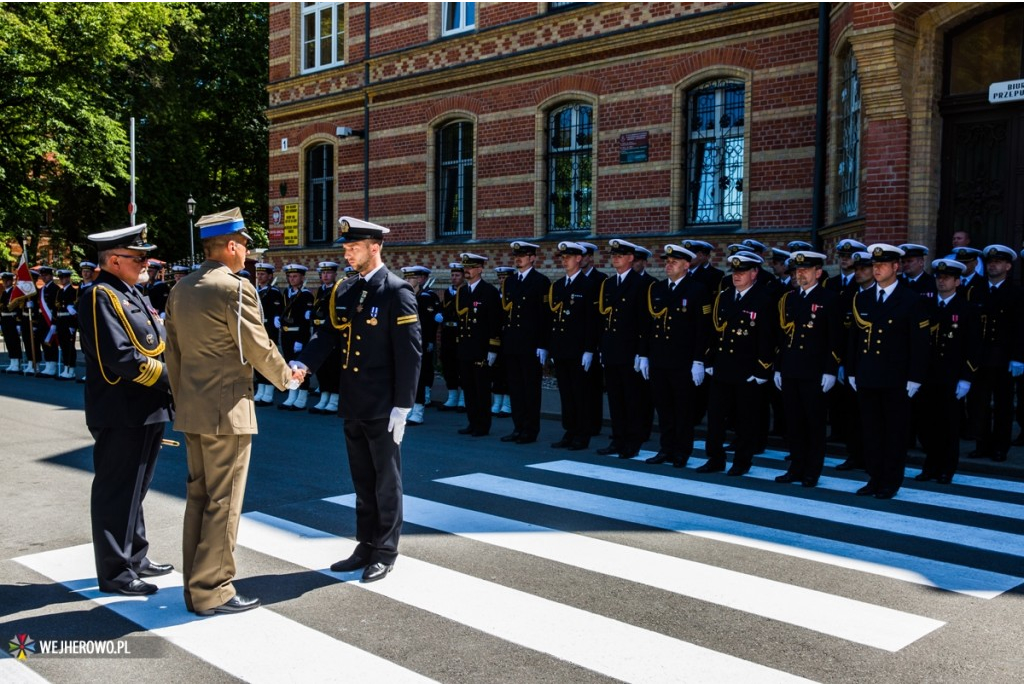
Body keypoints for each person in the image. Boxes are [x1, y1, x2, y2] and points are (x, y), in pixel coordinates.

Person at [164, 207, 300, 615]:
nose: (246, 253)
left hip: (193, 410)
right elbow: (256, 344)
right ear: (230, 246)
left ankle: (195, 585)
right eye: (243, 245)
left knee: (199, 498)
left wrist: (183, 398)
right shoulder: (234, 288)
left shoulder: (181, 288)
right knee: (224, 503)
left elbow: (173, 355)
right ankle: (214, 590)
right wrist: (286, 377)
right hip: (228, 410)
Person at [295, 216, 421, 583]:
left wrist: (403, 405)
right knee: (363, 480)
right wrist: (302, 364)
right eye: (346, 248)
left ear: (374, 247)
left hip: (384, 405)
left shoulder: (397, 291)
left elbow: (410, 354)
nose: (347, 254)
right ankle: (365, 544)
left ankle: (385, 550)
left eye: (353, 248)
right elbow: (327, 336)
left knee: (386, 481)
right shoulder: (345, 290)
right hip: (354, 401)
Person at [76, 223, 174, 596]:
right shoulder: (100, 295)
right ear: (115, 260)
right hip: (121, 408)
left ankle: (135, 555)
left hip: (147, 406)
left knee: (137, 487)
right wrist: (172, 379)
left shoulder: (131, 292)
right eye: (139, 257)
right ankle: (116, 572)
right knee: (117, 490)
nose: (145, 262)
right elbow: (120, 357)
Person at [846, 243, 930, 499]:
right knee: (871, 431)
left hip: (896, 378)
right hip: (868, 375)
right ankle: (874, 477)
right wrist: (851, 370)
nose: (877, 269)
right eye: (874, 265)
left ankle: (890, 481)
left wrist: (915, 376)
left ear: (896, 267)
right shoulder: (863, 297)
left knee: (894, 432)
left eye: (882, 265)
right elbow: (854, 339)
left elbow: (920, 342)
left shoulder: (911, 299)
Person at [697, 252, 775, 476]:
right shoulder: (724, 296)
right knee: (716, 417)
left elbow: (767, 337)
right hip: (723, 367)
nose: (737, 276)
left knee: (745, 420)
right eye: (734, 272)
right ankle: (715, 458)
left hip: (747, 370)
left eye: (742, 272)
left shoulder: (764, 298)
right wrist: (709, 360)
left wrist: (762, 368)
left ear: (754, 273)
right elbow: (714, 331)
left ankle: (742, 461)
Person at [636, 245, 711, 467]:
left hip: (683, 361)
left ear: (687, 265)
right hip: (659, 359)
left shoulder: (697, 290)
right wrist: (643, 355)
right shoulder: (657, 289)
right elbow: (647, 325)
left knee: (683, 410)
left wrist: (699, 360)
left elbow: (703, 330)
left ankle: (681, 451)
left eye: (674, 262)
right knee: (664, 408)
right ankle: (666, 448)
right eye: (667, 261)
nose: (668, 265)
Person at [773, 251, 843, 488]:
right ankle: (796, 468)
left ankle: (812, 471)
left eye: (805, 269)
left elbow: (836, 338)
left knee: (813, 424)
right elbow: (783, 337)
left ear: (818, 273)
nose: (800, 273)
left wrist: (831, 369)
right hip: (791, 369)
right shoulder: (789, 298)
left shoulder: (830, 298)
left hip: (815, 371)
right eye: (797, 270)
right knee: (794, 424)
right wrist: (778, 368)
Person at [916, 259, 979, 484]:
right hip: (927, 375)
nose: (941, 281)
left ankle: (946, 468)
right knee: (926, 423)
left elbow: (973, 346)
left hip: (952, 377)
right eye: (939, 277)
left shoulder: (966, 309)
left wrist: (966, 377)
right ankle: (930, 465)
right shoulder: (927, 307)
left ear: (957, 281)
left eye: (947, 278)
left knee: (949, 425)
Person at [967, 244, 1024, 462]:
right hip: (980, 356)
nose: (993, 265)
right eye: (990, 262)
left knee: (1003, 404)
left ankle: (1001, 446)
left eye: (998, 262)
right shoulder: (976, 291)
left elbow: (1020, 328)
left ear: (1008, 266)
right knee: (979, 403)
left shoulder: (1016, 293)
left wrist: (1019, 357)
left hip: (1003, 356)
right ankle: (982, 444)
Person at [596, 239, 647, 459]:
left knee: (632, 399)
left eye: (620, 255)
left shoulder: (641, 284)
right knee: (615, 399)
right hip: (611, 349)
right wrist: (600, 347)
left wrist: (641, 352)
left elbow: (644, 321)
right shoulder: (608, 284)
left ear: (631, 258)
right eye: (613, 255)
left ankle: (632, 441)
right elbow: (602, 319)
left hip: (630, 351)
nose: (615, 258)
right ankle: (617, 439)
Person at [548, 241, 601, 451]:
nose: (565, 260)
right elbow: (555, 320)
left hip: (579, 350)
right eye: (562, 257)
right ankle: (569, 430)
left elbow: (592, 321)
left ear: (579, 259)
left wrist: (590, 349)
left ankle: (582, 433)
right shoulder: (559, 285)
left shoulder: (588, 285)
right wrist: (553, 348)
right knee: (566, 394)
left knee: (581, 394)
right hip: (562, 349)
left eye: (568, 257)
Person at [499, 241, 551, 444]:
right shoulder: (510, 282)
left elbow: (545, 316)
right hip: (512, 343)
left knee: (530, 389)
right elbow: (506, 314)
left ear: (532, 258)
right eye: (516, 256)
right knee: (515, 388)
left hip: (531, 345)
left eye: (523, 255)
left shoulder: (541, 282)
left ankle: (530, 430)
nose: (518, 259)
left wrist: (543, 344)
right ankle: (518, 426)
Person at [454, 252, 502, 437]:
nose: (467, 270)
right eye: (465, 267)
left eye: (471, 267)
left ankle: (483, 425)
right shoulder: (463, 292)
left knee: (481, 388)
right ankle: (472, 422)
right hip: (466, 347)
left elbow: (494, 322)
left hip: (481, 348)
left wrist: (493, 348)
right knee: (468, 387)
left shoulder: (488, 292)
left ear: (480, 269)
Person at [401, 264, 441, 425]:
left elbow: (429, 323)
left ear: (419, 280)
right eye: (406, 277)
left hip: (420, 342)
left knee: (420, 377)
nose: (408, 280)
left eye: (411, 278)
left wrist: (430, 341)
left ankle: (418, 410)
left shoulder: (425, 297)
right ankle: (409, 407)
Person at [278, 264, 315, 410]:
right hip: (287, 334)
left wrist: (300, 339)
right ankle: (292, 394)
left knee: (300, 366)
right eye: (290, 276)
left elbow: (305, 322)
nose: (292, 279)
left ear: (302, 278)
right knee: (288, 365)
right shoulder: (286, 293)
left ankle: (302, 395)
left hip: (299, 335)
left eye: (295, 276)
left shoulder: (306, 295)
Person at [308, 261, 342, 415]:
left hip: (332, 333)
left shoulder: (338, 290)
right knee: (321, 367)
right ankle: (324, 396)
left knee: (333, 367)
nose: (326, 276)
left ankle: (334, 399)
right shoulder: (319, 291)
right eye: (323, 273)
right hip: (319, 331)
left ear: (335, 274)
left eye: (329, 273)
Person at [253, 262, 285, 406]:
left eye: (263, 274)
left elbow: (278, 311)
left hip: (268, 330)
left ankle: (269, 391)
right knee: (257, 361)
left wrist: (277, 318)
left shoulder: (274, 292)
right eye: (258, 274)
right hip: (256, 329)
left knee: (268, 360)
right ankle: (261, 389)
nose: (259, 277)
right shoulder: (254, 290)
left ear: (270, 276)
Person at [438, 263, 465, 411]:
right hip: (448, 332)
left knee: (462, 364)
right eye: (452, 275)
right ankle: (452, 396)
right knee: (448, 364)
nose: (454, 278)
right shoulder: (448, 293)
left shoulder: (466, 291)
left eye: (457, 275)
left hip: (460, 332)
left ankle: (463, 397)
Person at [53, 269, 79, 380]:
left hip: (69, 322)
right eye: (61, 278)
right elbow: (56, 306)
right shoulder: (60, 292)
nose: (62, 280)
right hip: (61, 321)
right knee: (63, 346)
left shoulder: (74, 291)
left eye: (64, 278)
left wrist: (73, 325)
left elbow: (75, 309)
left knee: (69, 347)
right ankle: (65, 368)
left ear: (69, 278)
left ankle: (71, 369)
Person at [1, 271, 23, 373]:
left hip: (12, 319)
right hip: (5, 319)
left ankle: (17, 363)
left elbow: (18, 309)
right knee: (8, 341)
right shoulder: (4, 293)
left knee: (14, 341)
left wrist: (18, 323)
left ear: (11, 281)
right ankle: (12, 362)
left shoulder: (14, 292)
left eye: (7, 281)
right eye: (4, 281)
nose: (5, 283)